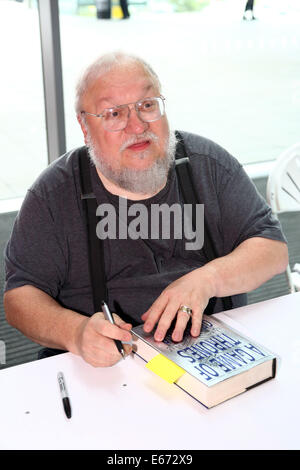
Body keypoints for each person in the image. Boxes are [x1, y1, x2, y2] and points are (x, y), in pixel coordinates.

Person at [4, 51, 288, 368]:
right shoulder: (54, 193)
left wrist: (208, 279)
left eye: (147, 105)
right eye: (114, 113)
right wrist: (77, 332)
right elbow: (19, 298)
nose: (137, 126)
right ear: (85, 128)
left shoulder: (207, 165)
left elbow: (272, 250)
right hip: (103, 368)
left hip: (210, 353)